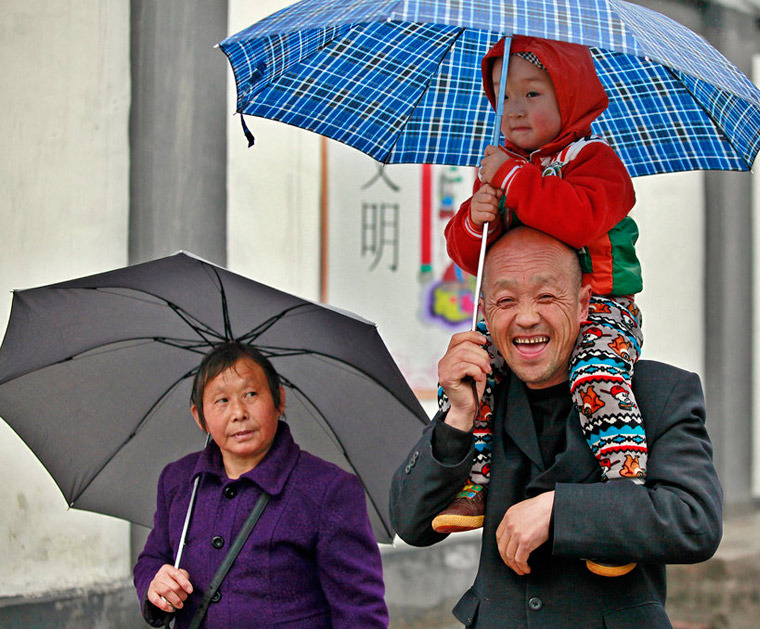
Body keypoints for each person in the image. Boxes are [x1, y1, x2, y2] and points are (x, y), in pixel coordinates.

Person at [390, 227, 722, 628]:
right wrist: (457, 418)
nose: (527, 318)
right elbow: (410, 523)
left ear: (584, 303)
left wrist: (557, 511)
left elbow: (694, 521)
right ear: (484, 310)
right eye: (506, 300)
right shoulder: (481, 397)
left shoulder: (658, 392)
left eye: (547, 297)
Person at [435, 37, 647, 567]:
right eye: (504, 98)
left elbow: (575, 218)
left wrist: (508, 177)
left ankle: (620, 493)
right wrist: (475, 215)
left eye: (532, 94)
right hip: (528, 311)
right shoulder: (504, 171)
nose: (515, 110)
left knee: (598, 376)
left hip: (598, 308)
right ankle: (475, 480)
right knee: (476, 368)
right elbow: (469, 255)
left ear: (571, 99)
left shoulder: (596, 163)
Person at [134, 342, 388, 628]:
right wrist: (156, 585)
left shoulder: (329, 490)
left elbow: (360, 612)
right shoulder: (180, 480)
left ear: (279, 400)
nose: (239, 412)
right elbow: (152, 558)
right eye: (221, 400)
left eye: (251, 394)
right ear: (199, 417)